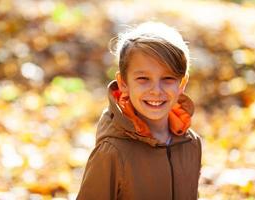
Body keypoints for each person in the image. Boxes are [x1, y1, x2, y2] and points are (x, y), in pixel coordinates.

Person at [76, 21, 202, 200]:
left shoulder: (191, 144)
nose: (156, 90)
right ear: (123, 83)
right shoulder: (112, 152)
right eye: (143, 78)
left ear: (182, 84)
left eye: (167, 78)